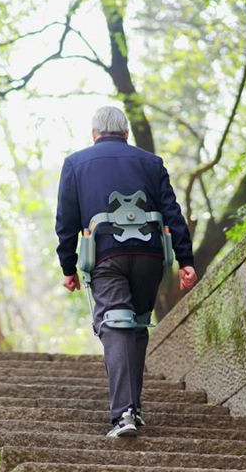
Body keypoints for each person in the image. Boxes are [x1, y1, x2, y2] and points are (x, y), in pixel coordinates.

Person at [55, 106, 197, 437]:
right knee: (137, 323)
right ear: (127, 133)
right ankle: (133, 409)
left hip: (106, 256)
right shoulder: (151, 162)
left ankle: (124, 415)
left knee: (117, 324)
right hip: (149, 256)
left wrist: (68, 266)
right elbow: (172, 213)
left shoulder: (75, 164)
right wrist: (186, 260)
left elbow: (66, 221)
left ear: (94, 135)